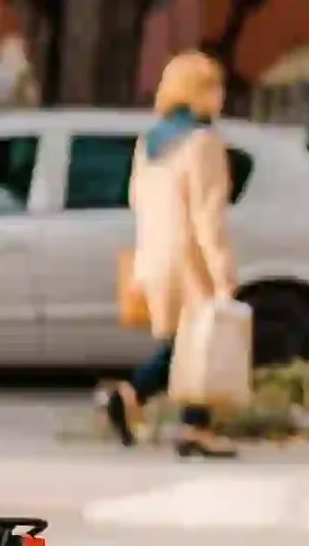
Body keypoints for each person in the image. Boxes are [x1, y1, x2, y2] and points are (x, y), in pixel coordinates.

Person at [98, 51, 240, 460]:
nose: (221, 96)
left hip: (157, 252)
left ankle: (189, 422)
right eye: (215, 87)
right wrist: (223, 272)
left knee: (188, 342)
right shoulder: (203, 142)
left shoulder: (151, 143)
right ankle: (140, 398)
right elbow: (208, 214)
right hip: (192, 257)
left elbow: (135, 199)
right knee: (199, 340)